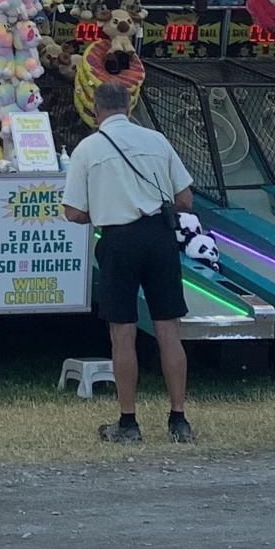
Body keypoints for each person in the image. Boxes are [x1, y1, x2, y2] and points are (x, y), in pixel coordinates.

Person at [62, 81, 195, 444]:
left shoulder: (88, 149)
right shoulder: (157, 140)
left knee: (122, 333)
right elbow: (185, 199)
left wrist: (104, 205)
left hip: (119, 240)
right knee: (168, 329)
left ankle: (128, 422)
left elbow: (72, 211)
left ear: (95, 109)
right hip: (159, 238)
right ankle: (179, 419)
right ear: (129, 107)